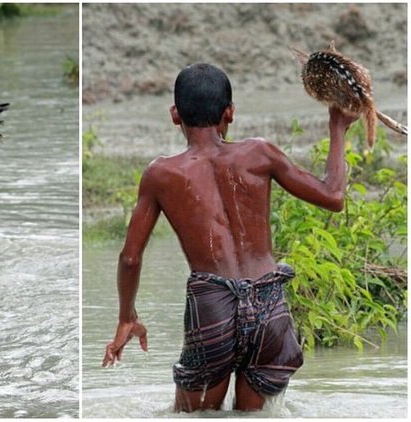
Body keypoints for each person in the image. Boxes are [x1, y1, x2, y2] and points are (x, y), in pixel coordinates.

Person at [101, 63, 358, 412]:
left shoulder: (161, 174)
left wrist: (126, 317)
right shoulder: (259, 153)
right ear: (230, 113)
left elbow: (130, 258)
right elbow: (333, 195)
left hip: (212, 306)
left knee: (195, 415)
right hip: (269, 303)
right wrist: (338, 126)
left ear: (175, 115)